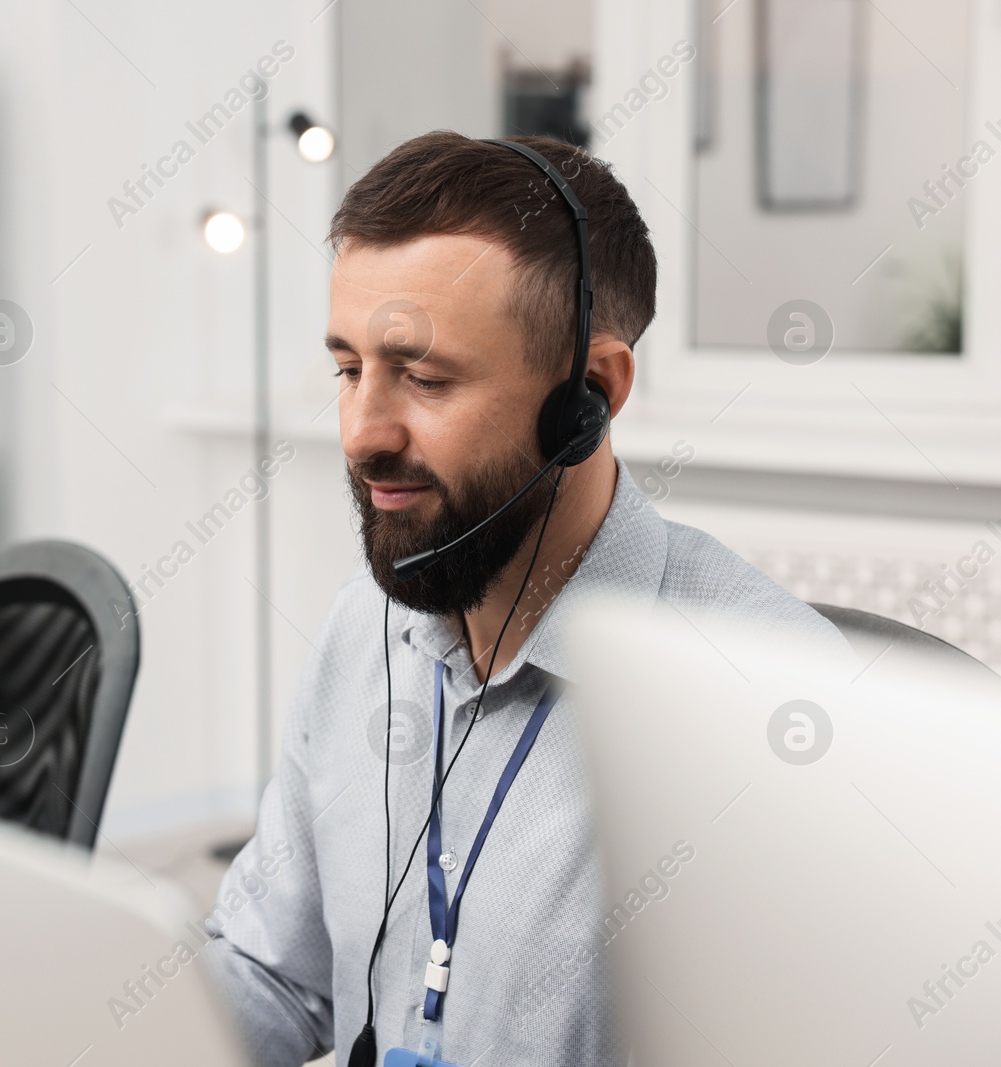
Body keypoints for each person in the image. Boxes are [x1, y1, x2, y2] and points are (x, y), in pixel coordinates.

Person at [203, 133, 852, 1066]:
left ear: (589, 395)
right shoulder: (364, 628)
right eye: (349, 369)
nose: (360, 433)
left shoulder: (767, 706)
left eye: (423, 377)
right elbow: (272, 969)